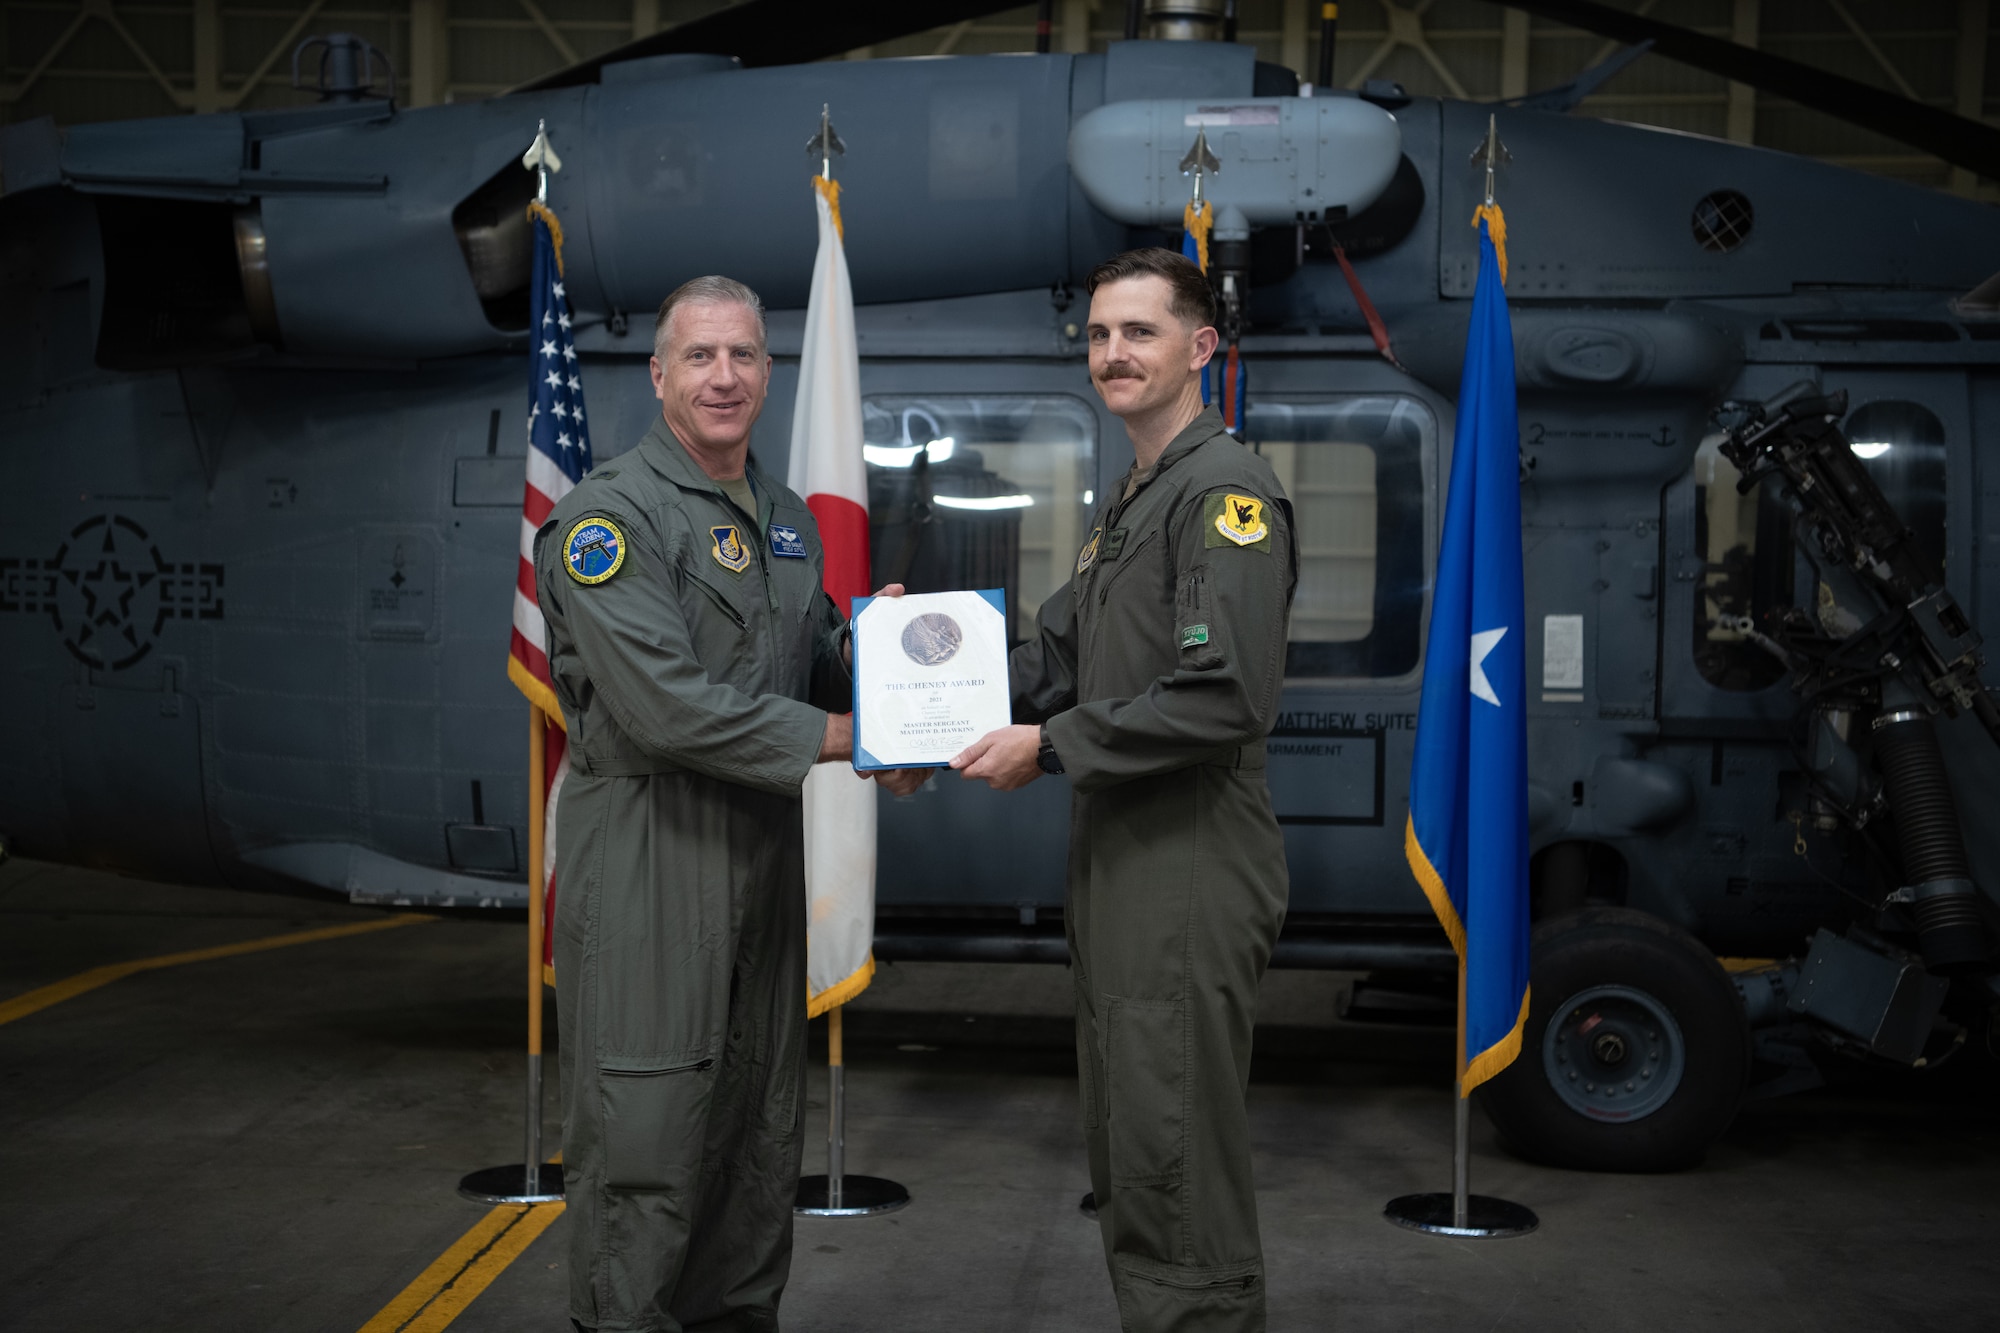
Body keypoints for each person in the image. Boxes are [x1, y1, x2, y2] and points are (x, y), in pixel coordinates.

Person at [534, 275, 916, 1333]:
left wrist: (879, 664)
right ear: (659, 376)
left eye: (744, 355)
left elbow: (802, 658)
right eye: (699, 356)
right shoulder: (604, 519)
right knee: (646, 1146)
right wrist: (853, 740)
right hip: (653, 858)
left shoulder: (784, 520)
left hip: (759, 864)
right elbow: (667, 708)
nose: (724, 376)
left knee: (753, 1147)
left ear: (765, 373)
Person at [952, 248, 1298, 1331]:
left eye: (1138, 332)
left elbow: (1222, 695)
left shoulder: (1222, 491)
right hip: (1123, 855)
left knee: (1171, 1144)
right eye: (1098, 334)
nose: (1111, 353)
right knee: (1134, 1136)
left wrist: (1045, 749)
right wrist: (906, 659)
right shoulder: (1138, 497)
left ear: (1199, 347)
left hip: (1184, 859)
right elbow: (1044, 660)